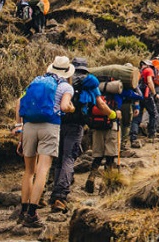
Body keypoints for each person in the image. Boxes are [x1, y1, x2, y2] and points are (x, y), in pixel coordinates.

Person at [16, 56, 75, 228]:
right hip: (49, 126)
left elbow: (19, 103)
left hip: (28, 126)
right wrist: (71, 108)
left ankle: (23, 210)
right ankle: (32, 213)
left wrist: (20, 129)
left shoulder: (36, 81)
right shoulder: (65, 86)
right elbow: (64, 107)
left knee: (29, 171)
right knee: (43, 169)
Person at [48, 57, 112, 213]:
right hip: (76, 125)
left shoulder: (62, 79)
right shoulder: (90, 83)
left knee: (58, 159)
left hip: (57, 123)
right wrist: (112, 115)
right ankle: (60, 196)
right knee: (69, 158)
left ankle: (54, 194)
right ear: (85, 68)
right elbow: (100, 104)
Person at [138, 59, 159, 143]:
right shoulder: (149, 70)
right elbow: (150, 82)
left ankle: (134, 135)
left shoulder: (139, 71)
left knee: (137, 116)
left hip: (138, 95)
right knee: (154, 114)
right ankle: (151, 134)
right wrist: (154, 94)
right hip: (147, 95)